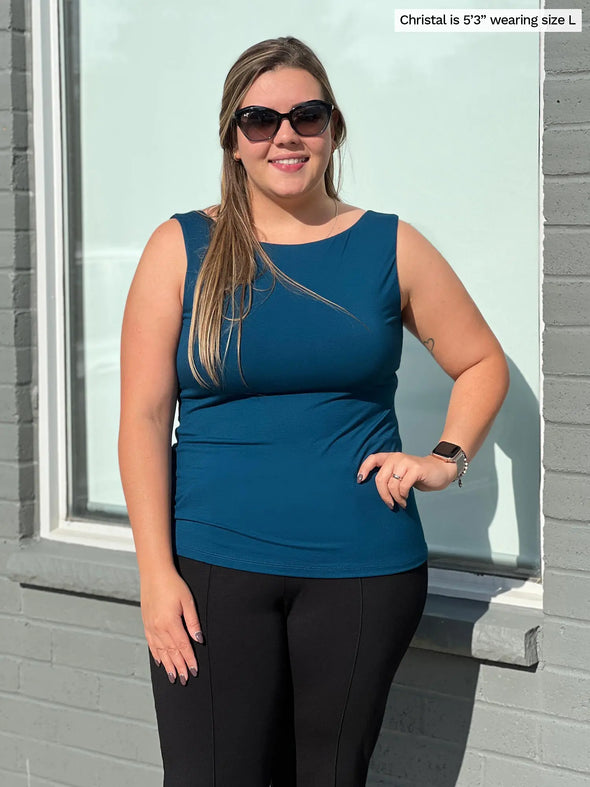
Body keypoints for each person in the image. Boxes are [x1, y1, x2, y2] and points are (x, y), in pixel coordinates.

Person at [118, 35, 509, 787]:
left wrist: (445, 458)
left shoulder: (391, 245)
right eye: (260, 120)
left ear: (334, 128)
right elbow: (141, 420)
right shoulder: (180, 248)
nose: (285, 135)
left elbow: (482, 361)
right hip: (209, 571)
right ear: (233, 139)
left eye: (307, 115)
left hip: (362, 571)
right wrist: (155, 574)